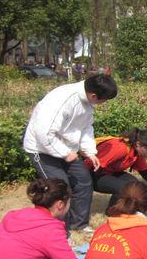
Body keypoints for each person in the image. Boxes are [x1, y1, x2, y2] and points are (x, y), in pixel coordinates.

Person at [23, 74, 118, 233]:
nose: (104, 103)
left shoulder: (88, 102)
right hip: (42, 149)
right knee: (59, 187)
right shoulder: (62, 99)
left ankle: (79, 224)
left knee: (83, 180)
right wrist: (65, 153)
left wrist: (90, 152)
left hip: (67, 149)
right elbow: (43, 133)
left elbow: (86, 128)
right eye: (104, 99)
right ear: (93, 95)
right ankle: (60, 230)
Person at [84, 128, 147, 209]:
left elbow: (145, 171)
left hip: (108, 173)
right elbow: (89, 163)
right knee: (124, 187)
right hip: (92, 175)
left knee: (135, 185)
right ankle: (113, 211)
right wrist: (82, 185)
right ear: (139, 144)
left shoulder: (136, 152)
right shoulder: (120, 148)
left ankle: (124, 208)